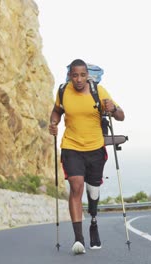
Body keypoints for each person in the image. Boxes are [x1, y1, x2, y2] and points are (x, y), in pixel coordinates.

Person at [49, 59, 125, 254]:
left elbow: (121, 116)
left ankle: (93, 221)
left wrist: (112, 109)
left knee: (93, 191)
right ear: (70, 76)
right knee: (76, 186)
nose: (79, 79)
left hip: (95, 148)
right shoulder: (63, 91)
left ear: (87, 75)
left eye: (82, 75)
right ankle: (79, 239)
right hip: (71, 147)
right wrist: (54, 123)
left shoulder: (98, 91)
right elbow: (57, 111)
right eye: (75, 75)